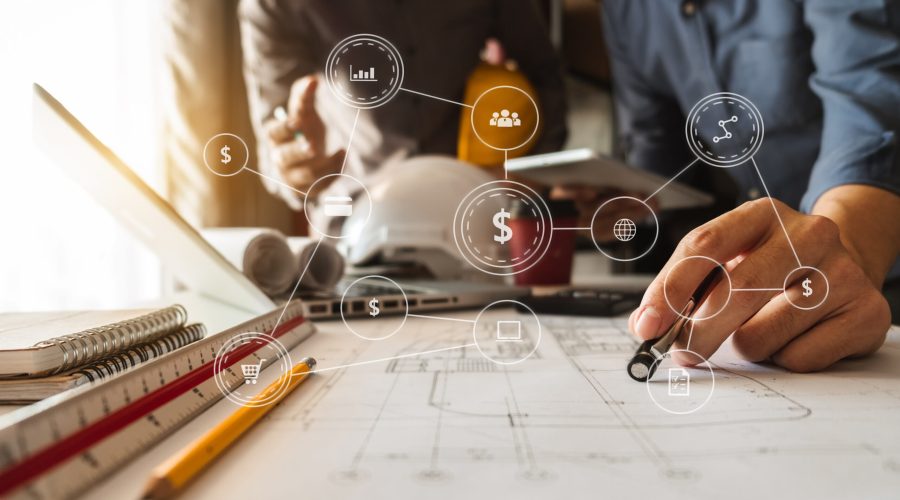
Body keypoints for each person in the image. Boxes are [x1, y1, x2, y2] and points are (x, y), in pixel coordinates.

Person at [601, 1, 900, 371]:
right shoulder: (624, 10)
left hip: (875, 278)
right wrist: (606, 199)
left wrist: (847, 248)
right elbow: (656, 153)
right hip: (751, 295)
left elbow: (868, 105)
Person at [238, 0, 567, 210]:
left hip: (477, 213)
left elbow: (546, 77)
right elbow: (275, 145)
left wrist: (531, 171)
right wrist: (297, 165)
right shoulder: (271, 5)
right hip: (352, 221)